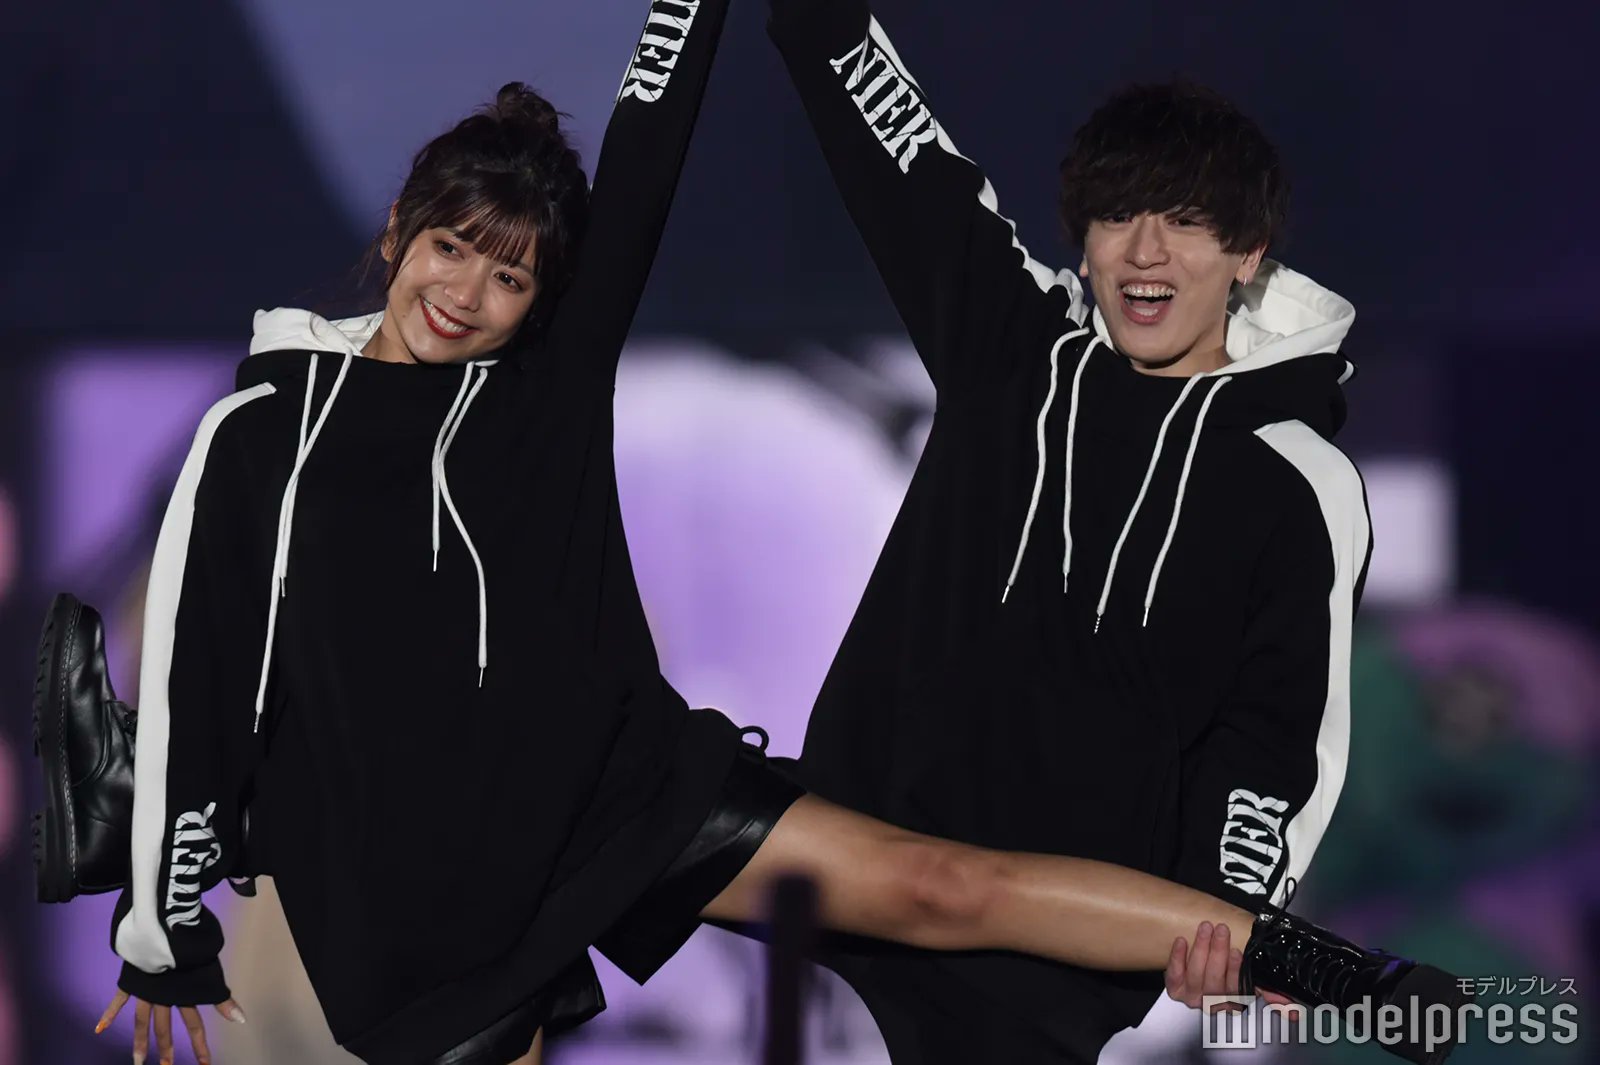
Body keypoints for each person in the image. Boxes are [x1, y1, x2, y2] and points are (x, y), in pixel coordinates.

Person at [30, 4, 1465, 1065]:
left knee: (943, 882)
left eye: (513, 274)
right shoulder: (261, 432)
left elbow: (650, 142)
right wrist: (162, 922)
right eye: (452, 249)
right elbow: (208, 668)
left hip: (617, 790)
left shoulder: (547, 379)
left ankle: (1339, 971)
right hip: (425, 866)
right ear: (400, 226)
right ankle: (171, 810)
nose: (469, 292)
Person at [767, 0, 1392, 1061]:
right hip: (865, 862)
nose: (1145, 251)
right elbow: (900, 154)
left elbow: (1277, 728)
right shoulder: (1015, 346)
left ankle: (1372, 987)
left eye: (1185, 221)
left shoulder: (1301, 477)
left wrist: (1224, 912)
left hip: (1050, 961)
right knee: (583, 839)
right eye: (1117, 216)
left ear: (1247, 253)